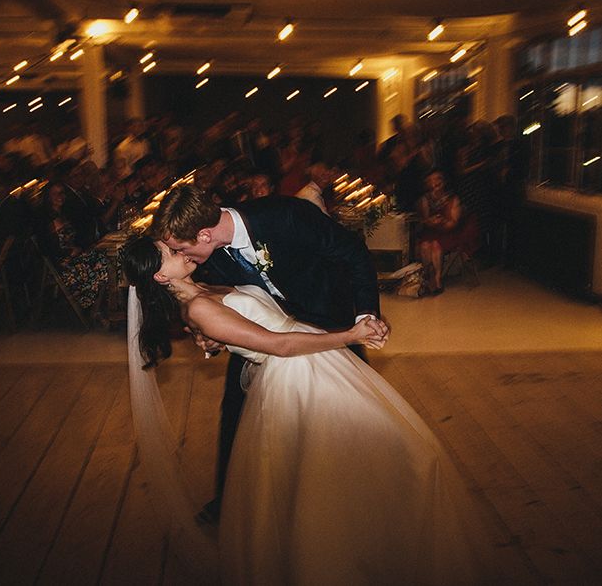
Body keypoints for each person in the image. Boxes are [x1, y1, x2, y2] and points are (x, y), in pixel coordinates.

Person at [121, 235, 492, 585]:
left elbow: (247, 324)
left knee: (360, 463)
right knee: (393, 456)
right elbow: (278, 346)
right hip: (298, 376)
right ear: (159, 275)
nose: (179, 250)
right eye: (169, 252)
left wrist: (218, 340)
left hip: (316, 360)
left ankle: (376, 550)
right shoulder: (198, 306)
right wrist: (350, 335)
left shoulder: (206, 290)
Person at [152, 184, 384, 522]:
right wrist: (214, 341)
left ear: (203, 234)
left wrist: (365, 315)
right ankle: (232, 496)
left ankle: (365, 484)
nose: (183, 257)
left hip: (328, 322)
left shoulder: (285, 216)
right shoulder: (205, 255)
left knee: (358, 409)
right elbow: (219, 310)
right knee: (236, 408)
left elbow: (354, 253)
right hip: (267, 338)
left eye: (181, 248)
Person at [35, 181, 109, 315]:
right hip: (62, 263)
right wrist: (69, 252)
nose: (60, 196)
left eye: (62, 193)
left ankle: (102, 305)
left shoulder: (66, 213)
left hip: (77, 255)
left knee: (106, 258)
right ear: (48, 196)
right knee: (100, 264)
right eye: (55, 193)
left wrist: (83, 247)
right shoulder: (43, 219)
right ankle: (94, 307)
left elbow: (78, 237)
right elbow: (46, 247)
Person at [417, 170, 479, 294]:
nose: (435, 183)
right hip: (431, 231)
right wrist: (430, 221)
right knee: (424, 245)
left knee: (435, 245)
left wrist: (442, 222)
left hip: (449, 232)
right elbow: (424, 219)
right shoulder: (425, 199)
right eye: (431, 180)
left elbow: (454, 222)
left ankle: (437, 279)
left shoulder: (453, 199)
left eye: (437, 179)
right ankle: (429, 276)